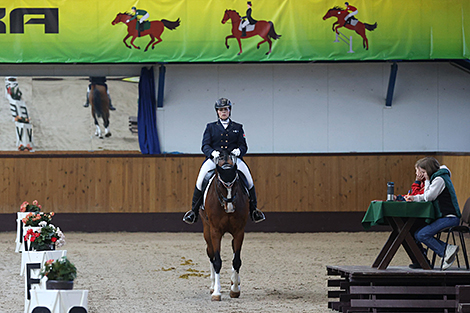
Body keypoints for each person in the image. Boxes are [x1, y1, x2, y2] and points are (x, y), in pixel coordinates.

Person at [183, 97, 265, 224]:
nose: (223, 112)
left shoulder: (238, 127)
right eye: (221, 110)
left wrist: (239, 151)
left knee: (249, 180)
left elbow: (244, 146)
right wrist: (212, 153)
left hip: (233, 159)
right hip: (215, 159)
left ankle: (254, 211)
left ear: (229, 110)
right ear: (217, 112)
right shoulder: (210, 127)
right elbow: (205, 146)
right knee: (200, 180)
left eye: (225, 109)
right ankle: (193, 212)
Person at [405, 157, 461, 270]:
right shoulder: (437, 178)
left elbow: (429, 197)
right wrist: (415, 198)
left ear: (429, 170)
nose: (423, 175)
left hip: (450, 217)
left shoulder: (439, 179)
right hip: (444, 217)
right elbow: (427, 195)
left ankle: (446, 250)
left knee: (422, 234)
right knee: (416, 234)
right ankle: (446, 251)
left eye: (424, 172)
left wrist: (426, 181)